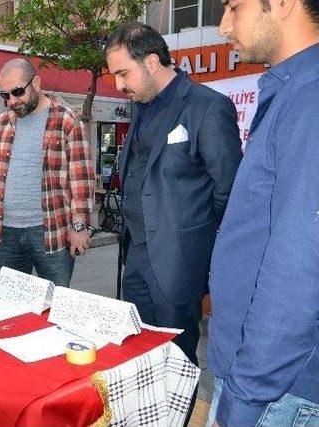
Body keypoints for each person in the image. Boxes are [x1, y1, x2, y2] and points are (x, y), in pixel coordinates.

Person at [205, 0, 319, 424]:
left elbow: (301, 268)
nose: (222, 26)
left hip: (275, 390)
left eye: (234, 6)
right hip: (263, 379)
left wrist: (246, 395)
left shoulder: (310, 98)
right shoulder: (294, 90)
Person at [105, 22, 242, 366]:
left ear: (152, 62)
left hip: (178, 262)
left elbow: (230, 190)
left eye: (124, 73)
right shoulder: (140, 106)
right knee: (138, 353)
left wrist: (200, 245)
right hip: (134, 254)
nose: (119, 85)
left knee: (176, 361)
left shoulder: (207, 107)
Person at [0, 58, 94, 287]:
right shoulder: (2, 122)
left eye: (16, 92)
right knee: (8, 305)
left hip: (50, 231)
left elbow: (81, 179)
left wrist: (79, 226)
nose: (11, 101)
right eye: (5, 95)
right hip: (6, 234)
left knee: (56, 305)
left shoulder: (67, 119)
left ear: (36, 83)